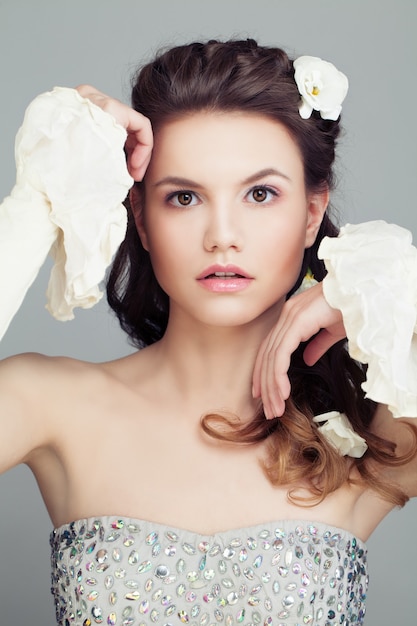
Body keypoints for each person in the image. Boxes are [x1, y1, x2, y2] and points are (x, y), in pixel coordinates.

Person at [1, 39, 416, 626]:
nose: (223, 235)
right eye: (185, 197)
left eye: (260, 194)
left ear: (311, 213)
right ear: (141, 219)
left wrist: (391, 290)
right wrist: (32, 207)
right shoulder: (43, 402)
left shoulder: (371, 437)